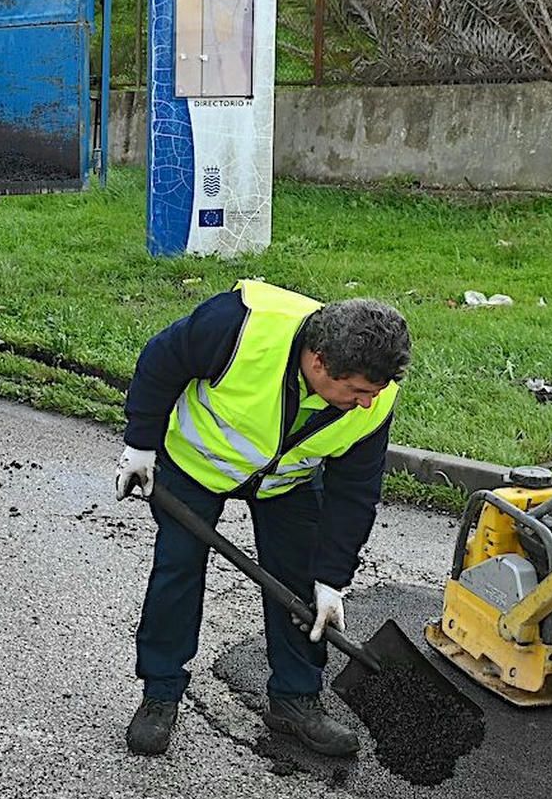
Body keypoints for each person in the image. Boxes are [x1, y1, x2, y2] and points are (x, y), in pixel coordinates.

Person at [114, 280, 410, 759]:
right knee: (178, 570)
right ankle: (160, 694)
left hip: (285, 483)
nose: (368, 402)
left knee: (299, 580)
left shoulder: (374, 401)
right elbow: (162, 360)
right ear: (319, 364)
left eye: (375, 392)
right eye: (357, 390)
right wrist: (141, 445)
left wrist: (332, 580)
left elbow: (354, 493)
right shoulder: (240, 325)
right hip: (197, 465)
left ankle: (295, 699)